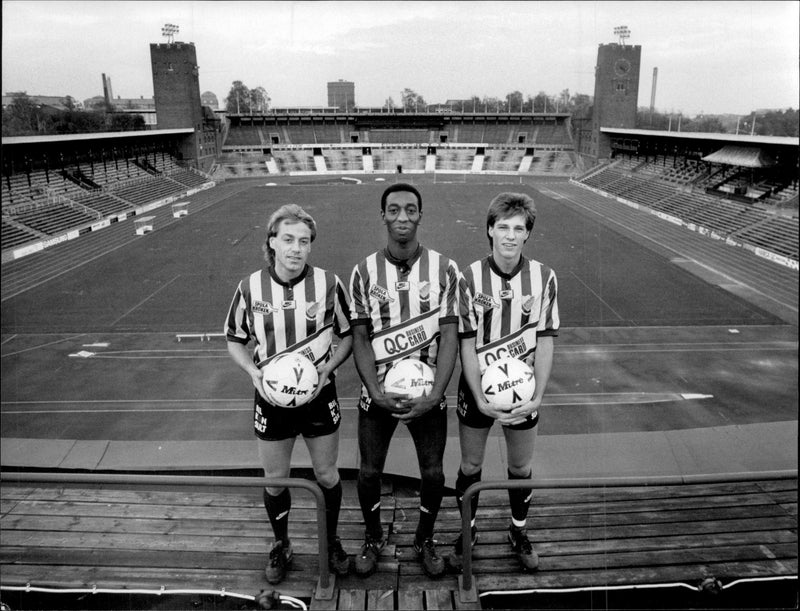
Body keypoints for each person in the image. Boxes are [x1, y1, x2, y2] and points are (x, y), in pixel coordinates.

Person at [225, 204, 353, 585]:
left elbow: (346, 335)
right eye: (288, 240)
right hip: (271, 401)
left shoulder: (329, 284)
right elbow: (234, 339)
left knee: (327, 474)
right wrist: (253, 372)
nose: (296, 248)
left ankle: (331, 542)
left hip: (319, 396)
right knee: (276, 479)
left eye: (304, 241)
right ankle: (281, 543)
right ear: (272, 242)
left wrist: (328, 369)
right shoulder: (250, 288)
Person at [349, 183, 460, 578]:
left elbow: (449, 336)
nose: (402, 217)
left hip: (427, 393)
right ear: (383, 216)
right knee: (367, 473)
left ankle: (423, 538)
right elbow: (360, 336)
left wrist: (435, 395)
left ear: (420, 215)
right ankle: (374, 536)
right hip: (379, 392)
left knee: (434, 474)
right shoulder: (363, 272)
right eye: (394, 210)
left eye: (410, 210)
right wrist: (375, 392)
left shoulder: (446, 270)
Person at [447, 192, 559, 573]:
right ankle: (470, 528)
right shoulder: (468, 278)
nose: (510, 236)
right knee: (470, 464)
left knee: (520, 467)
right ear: (490, 230)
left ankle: (518, 530)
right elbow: (465, 341)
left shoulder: (544, 277)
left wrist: (538, 396)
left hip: (523, 390)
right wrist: (477, 396)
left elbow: (544, 340)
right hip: (477, 387)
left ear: (527, 234)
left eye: (519, 229)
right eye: (503, 228)